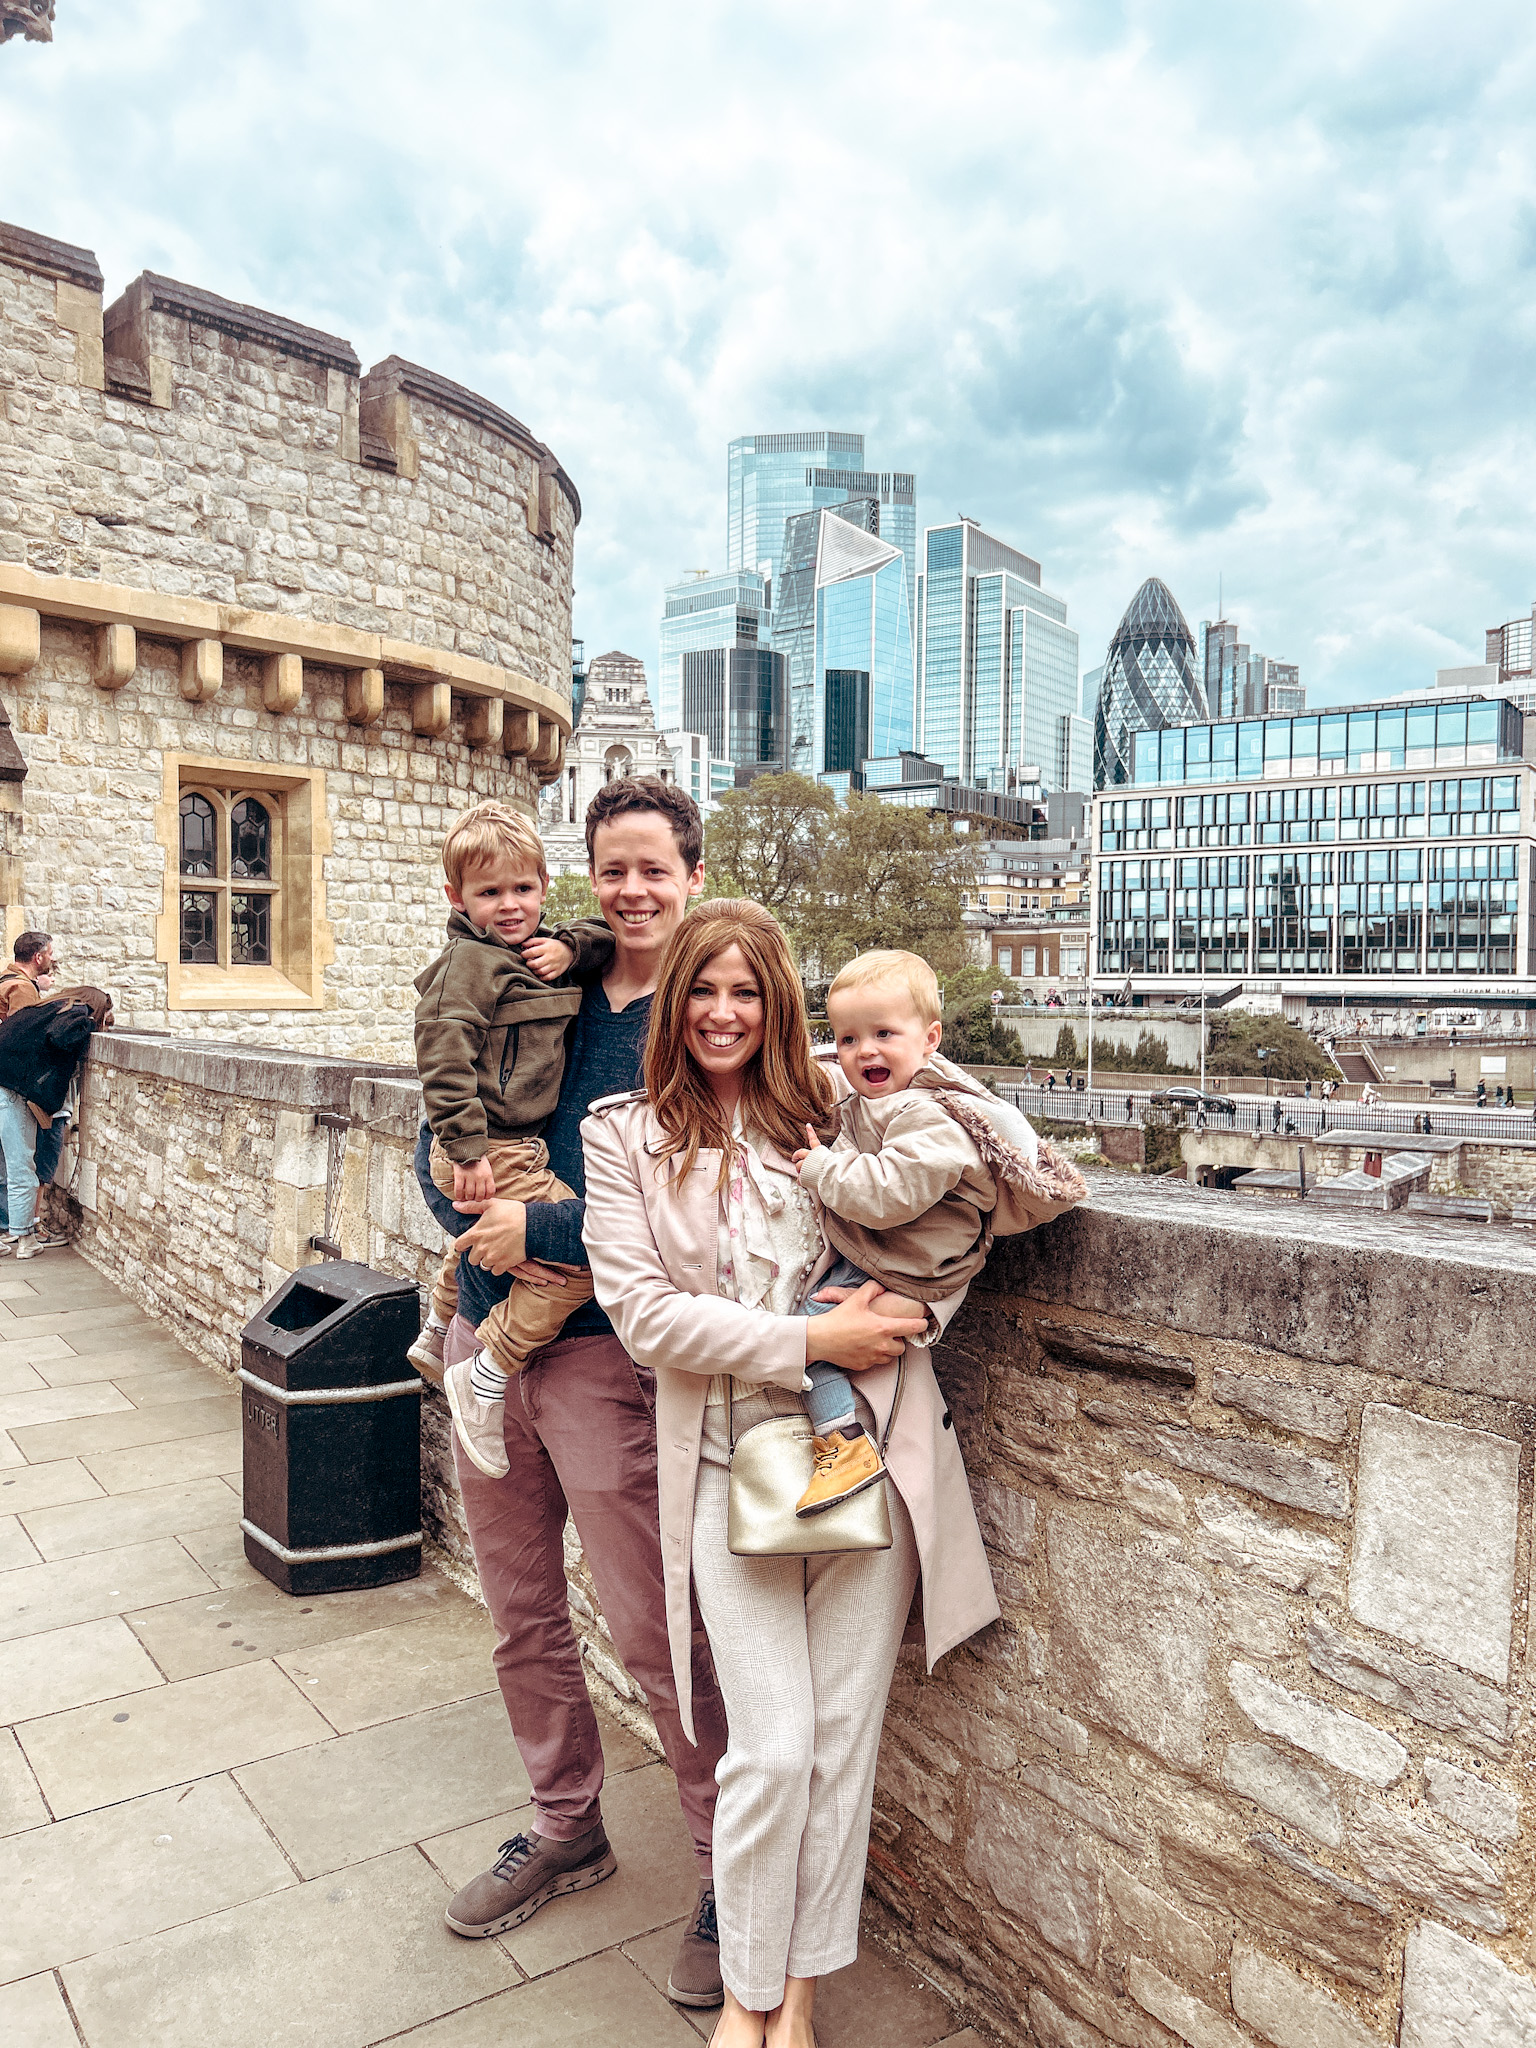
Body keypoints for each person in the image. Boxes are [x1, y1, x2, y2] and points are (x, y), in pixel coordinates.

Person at [580, 903, 1004, 2048]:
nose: (725, 1011)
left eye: (749, 990)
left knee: (840, 1739)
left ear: (779, 1005)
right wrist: (811, 1343)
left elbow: (961, 1190)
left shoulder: (830, 1106)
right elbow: (645, 1316)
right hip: (728, 1454)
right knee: (767, 1743)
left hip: (862, 1442)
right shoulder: (621, 1134)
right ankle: (745, 1992)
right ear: (674, 1002)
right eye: (703, 989)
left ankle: (799, 1996)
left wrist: (913, 1313)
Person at [414, 777, 728, 2010]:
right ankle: (566, 1822)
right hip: (493, 1336)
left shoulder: (710, 1008)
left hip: (606, 1354)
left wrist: (534, 1214)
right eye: (615, 868)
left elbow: (705, 1207)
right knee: (522, 1612)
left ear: (693, 875)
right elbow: (443, 1140)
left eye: (656, 866)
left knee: (659, 1631)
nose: (634, 888)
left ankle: (722, 1863)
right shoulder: (532, 973)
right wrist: (465, 1198)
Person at [791, 950, 1083, 1514]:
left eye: (883, 1033)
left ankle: (841, 1443)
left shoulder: (929, 1116)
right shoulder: (883, 1099)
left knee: (810, 1334)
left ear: (929, 1039)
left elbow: (886, 1196)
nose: (863, 1051)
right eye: (847, 1039)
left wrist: (822, 1169)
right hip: (900, 1258)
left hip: (907, 1263)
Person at [411, 800, 614, 1476]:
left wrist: (569, 947)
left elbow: (606, 937)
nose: (509, 904)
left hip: (508, 1144)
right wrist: (467, 1149)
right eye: (489, 892)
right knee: (586, 1260)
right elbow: (441, 1056)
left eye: (523, 889)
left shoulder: (531, 951)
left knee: (491, 1238)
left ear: (545, 886)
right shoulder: (470, 963)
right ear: (456, 897)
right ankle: (489, 1367)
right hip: (488, 1146)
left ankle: (438, 1329)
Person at [0, 985, 113, 1258]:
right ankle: (25, 1240)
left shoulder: (43, 1009)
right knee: (21, 1166)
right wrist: (88, 1024)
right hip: (13, 1091)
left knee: (5, 1167)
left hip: (4, 1081)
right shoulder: (77, 1012)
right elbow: (61, 1036)